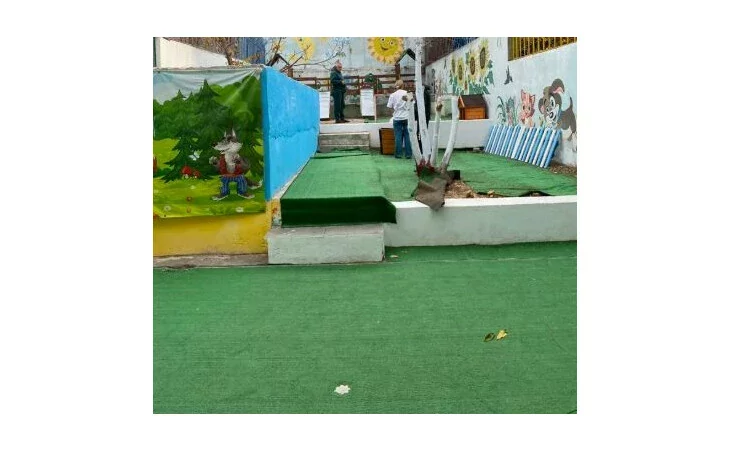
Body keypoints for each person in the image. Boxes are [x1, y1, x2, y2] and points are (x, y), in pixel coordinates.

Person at [387, 79, 412, 159]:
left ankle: (398, 154)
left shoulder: (392, 95)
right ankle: (408, 154)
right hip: (406, 117)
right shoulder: (408, 93)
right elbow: (412, 104)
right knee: (407, 136)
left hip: (397, 118)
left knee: (398, 136)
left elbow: (389, 107)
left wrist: (393, 113)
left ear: (396, 86)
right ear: (403, 85)